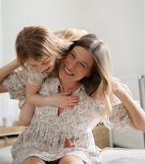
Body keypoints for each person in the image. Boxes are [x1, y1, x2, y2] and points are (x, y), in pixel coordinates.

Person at [8, 34, 145, 164]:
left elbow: (141, 125)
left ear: (90, 72)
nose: (71, 65)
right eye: (72, 55)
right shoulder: (41, 77)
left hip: (75, 149)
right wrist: (20, 60)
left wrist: (120, 91)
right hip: (35, 145)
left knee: (70, 162)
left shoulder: (96, 96)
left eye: (82, 64)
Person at [0, 26, 87, 125]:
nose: (42, 68)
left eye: (45, 62)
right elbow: (30, 97)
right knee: (24, 120)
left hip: (40, 78)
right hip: (29, 82)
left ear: (53, 50)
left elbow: (85, 36)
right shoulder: (35, 71)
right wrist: (19, 61)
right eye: (34, 64)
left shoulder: (67, 45)